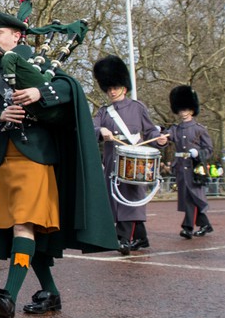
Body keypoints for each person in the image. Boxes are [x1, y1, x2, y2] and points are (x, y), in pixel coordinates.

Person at [0, 2, 115, 318]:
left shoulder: (39, 62)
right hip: (3, 160)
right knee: (23, 231)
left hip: (35, 156)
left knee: (24, 224)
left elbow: (68, 88)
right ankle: (50, 292)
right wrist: (0, 114)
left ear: (17, 35)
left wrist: (38, 92)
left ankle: (8, 296)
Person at [92, 55, 167, 253]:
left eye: (115, 87)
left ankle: (123, 238)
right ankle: (141, 238)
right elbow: (91, 126)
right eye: (109, 88)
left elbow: (150, 131)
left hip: (135, 159)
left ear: (124, 88)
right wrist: (101, 131)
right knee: (117, 198)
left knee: (131, 197)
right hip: (113, 159)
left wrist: (159, 139)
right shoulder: (104, 111)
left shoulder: (137, 107)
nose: (112, 91)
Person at [166, 86, 214, 239]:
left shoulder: (200, 130)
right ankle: (205, 224)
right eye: (181, 109)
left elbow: (209, 149)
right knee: (188, 197)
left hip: (195, 168)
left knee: (193, 197)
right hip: (181, 167)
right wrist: (157, 132)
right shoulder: (176, 129)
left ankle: (187, 227)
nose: (183, 112)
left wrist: (198, 154)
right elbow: (166, 137)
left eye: (186, 109)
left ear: (192, 111)